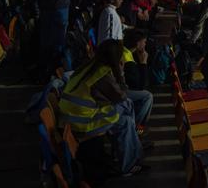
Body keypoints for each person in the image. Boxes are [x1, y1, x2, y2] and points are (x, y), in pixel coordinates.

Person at [57, 40, 148, 177]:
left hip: (70, 119)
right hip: (81, 124)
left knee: (126, 119)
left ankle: (134, 145)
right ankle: (129, 161)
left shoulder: (89, 66)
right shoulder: (102, 74)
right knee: (127, 109)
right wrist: (121, 73)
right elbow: (121, 96)